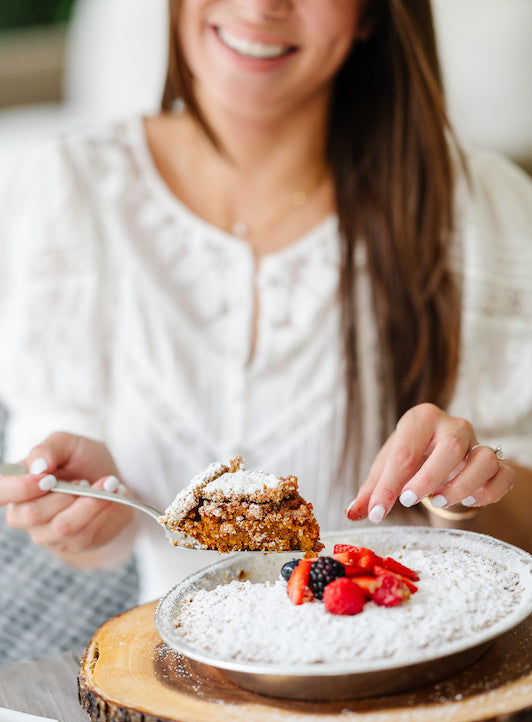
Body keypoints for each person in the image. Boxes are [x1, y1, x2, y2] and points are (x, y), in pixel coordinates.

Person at [0, 0, 531, 608]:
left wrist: (460, 494)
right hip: (174, 680)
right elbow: (66, 489)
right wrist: (83, 510)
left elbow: (523, 528)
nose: (260, 6)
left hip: (406, 677)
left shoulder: (484, 213)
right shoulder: (65, 188)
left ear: (373, 15)